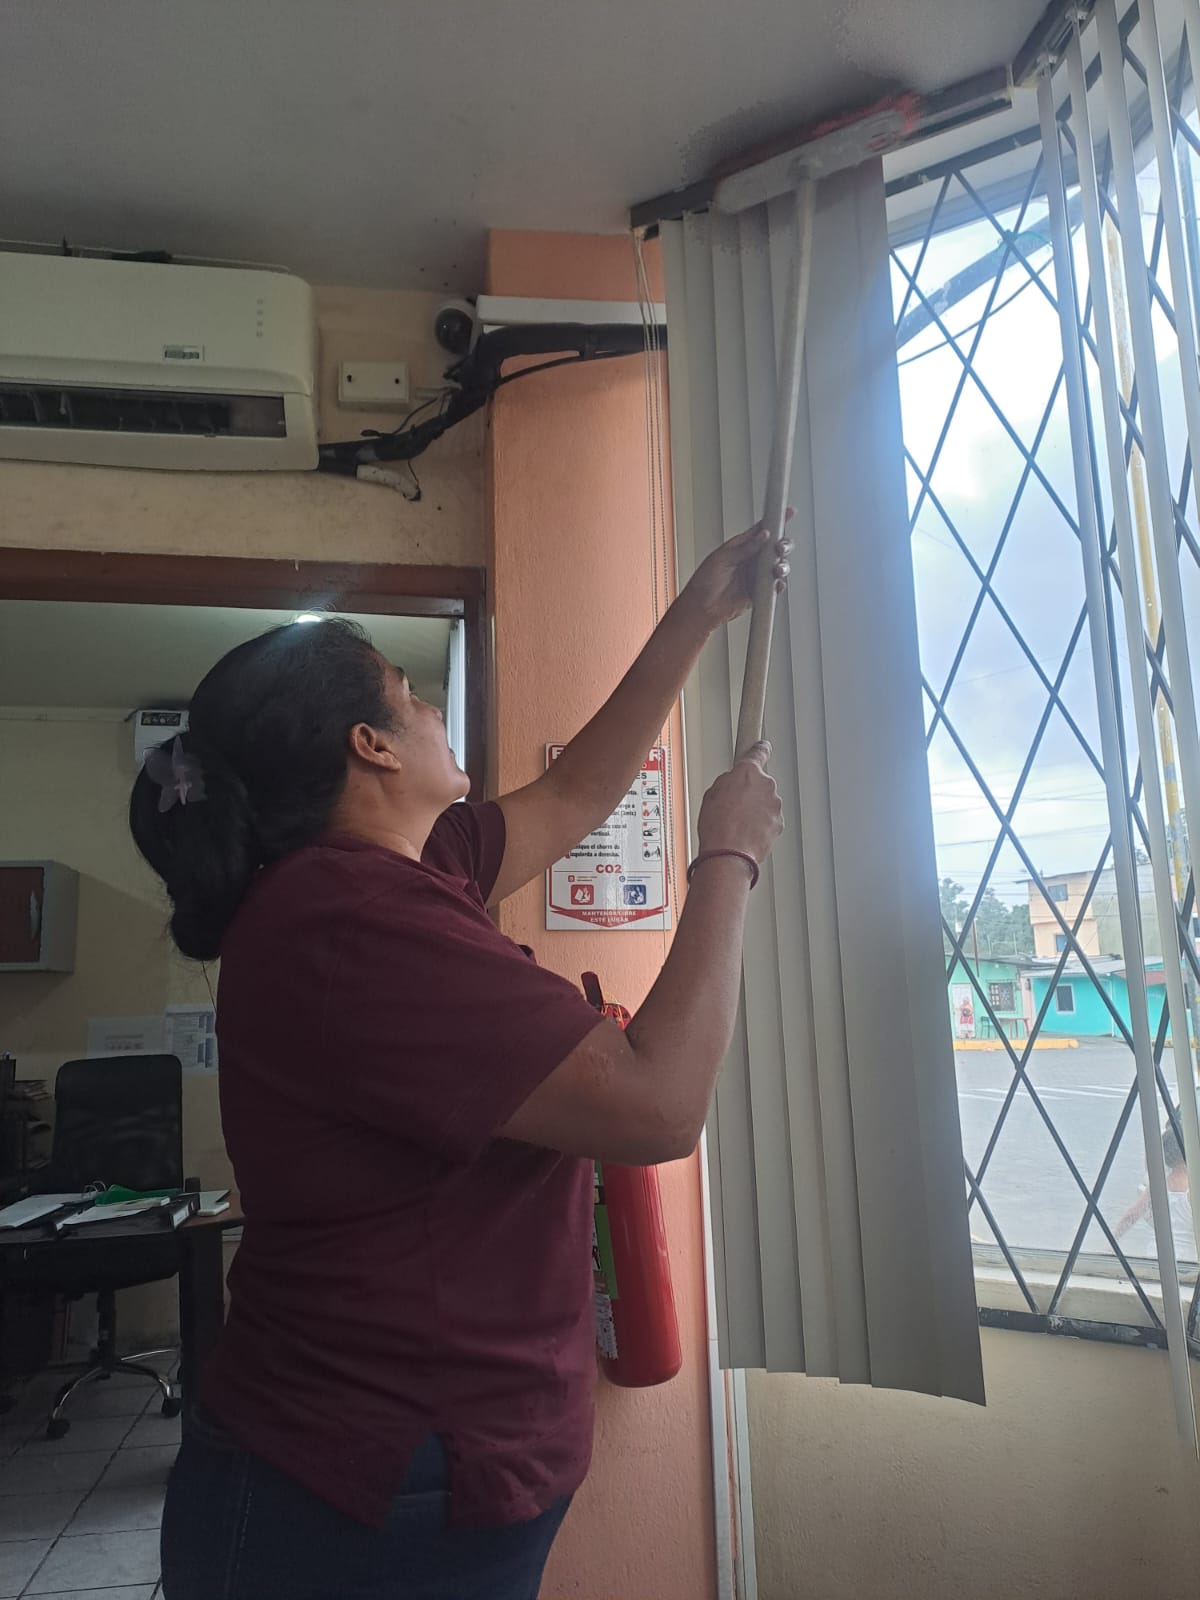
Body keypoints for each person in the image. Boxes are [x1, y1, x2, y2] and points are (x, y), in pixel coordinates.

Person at [130, 522, 790, 1600]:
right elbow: (657, 1106)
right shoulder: (347, 922)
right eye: (411, 693)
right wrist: (729, 854)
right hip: (358, 1496)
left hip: (410, 1471)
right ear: (373, 745)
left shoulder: (405, 870)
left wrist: (700, 610)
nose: (434, 709)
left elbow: (576, 795)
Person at [1114, 1116, 1191, 1243]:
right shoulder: (1192, 1187)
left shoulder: (1159, 1185)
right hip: (1186, 1254)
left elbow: (1131, 1216)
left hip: (1156, 1251)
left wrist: (1112, 1241)